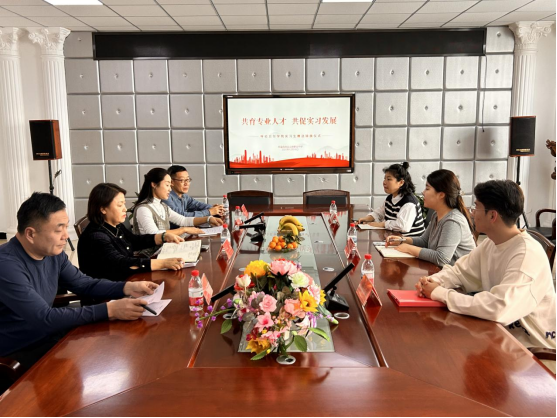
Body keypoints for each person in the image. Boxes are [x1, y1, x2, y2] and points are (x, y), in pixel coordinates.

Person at [0, 192, 159, 373]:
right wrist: (110, 310)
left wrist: (127, 287)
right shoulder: (6, 265)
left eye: (66, 227)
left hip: (49, 335)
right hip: (18, 351)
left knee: (121, 351)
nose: (65, 236)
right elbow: (43, 318)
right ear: (30, 233)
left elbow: (84, 284)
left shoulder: (53, 253)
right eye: (58, 230)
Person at [416, 180, 556, 349]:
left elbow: (499, 308)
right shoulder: (492, 242)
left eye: (476, 207)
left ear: (492, 216)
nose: (472, 213)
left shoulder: (527, 255)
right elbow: (459, 272)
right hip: (500, 334)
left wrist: (441, 293)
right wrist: (435, 281)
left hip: (534, 349)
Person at [78, 183, 189, 281]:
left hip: (127, 281)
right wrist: (163, 263)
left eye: (124, 204)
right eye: (120, 205)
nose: (125, 209)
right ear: (103, 209)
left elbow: (134, 241)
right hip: (110, 292)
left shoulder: (114, 225)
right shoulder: (96, 237)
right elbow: (121, 263)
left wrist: (163, 237)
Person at [386, 169, 476, 267]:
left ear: (441, 195)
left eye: (427, 189)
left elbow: (441, 258)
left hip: (460, 275)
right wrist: (402, 240)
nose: (423, 192)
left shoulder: (453, 221)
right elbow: (424, 241)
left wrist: (408, 248)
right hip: (445, 271)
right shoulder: (436, 215)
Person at [132, 168, 223, 255]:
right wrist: (183, 229)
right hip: (150, 256)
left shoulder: (162, 206)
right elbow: (155, 235)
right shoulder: (143, 209)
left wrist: (208, 219)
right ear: (154, 184)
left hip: (165, 250)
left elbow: (183, 220)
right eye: (167, 185)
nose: (170, 189)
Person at [358, 162, 425, 237]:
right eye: (384, 179)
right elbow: (380, 212)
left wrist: (382, 224)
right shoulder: (390, 198)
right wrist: (368, 218)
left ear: (401, 182)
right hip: (395, 239)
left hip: (410, 242)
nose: (384, 182)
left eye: (389, 179)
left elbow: (403, 226)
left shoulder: (409, 203)